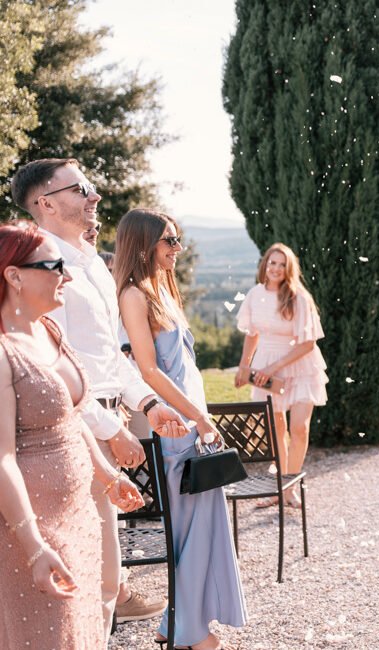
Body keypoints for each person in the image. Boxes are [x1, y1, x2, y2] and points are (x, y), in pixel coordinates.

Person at [8, 157, 189, 631]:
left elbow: (111, 359)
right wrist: (110, 432)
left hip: (110, 418)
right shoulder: (40, 269)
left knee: (104, 578)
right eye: (81, 188)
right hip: (69, 433)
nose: (96, 196)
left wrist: (147, 404)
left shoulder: (93, 265)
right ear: (45, 203)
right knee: (93, 578)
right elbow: (56, 372)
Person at [0, 221, 145, 648]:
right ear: (13, 275)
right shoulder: (3, 351)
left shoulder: (50, 330)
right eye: (54, 265)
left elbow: (73, 416)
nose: (67, 275)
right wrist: (33, 546)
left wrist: (106, 475)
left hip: (78, 518)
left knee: (82, 631)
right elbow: (2, 459)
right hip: (31, 532)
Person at [115, 209, 247, 650]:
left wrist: (201, 418)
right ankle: (191, 634)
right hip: (176, 427)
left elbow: (184, 366)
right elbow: (150, 371)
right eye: (169, 240)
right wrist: (199, 417)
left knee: (205, 527)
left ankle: (176, 625)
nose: (176, 248)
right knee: (187, 532)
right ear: (144, 243)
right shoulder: (133, 296)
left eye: (177, 240)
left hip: (193, 423)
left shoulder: (163, 291)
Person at [235, 243, 329, 508]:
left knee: (299, 428)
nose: (275, 268)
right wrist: (245, 367)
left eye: (281, 264)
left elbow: (307, 344)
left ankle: (290, 486)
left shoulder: (299, 297)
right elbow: (252, 333)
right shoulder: (255, 294)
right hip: (266, 367)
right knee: (276, 429)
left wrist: (272, 369)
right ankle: (279, 489)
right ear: (265, 265)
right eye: (272, 263)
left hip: (299, 367)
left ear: (289, 269)